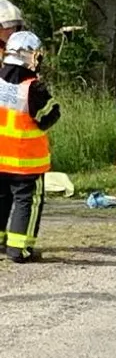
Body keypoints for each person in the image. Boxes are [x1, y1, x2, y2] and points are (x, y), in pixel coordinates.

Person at [0, 31, 60, 263]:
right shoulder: (33, 89)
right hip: (26, 162)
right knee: (27, 202)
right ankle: (20, 249)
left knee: (2, 199)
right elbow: (50, 115)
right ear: (29, 57)